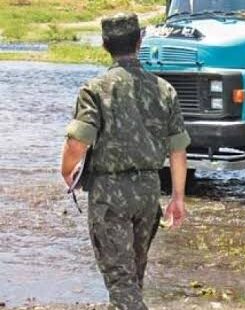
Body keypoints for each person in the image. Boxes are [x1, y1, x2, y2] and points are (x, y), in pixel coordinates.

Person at [60, 12, 191, 310]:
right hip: (148, 193)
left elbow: (76, 142)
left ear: (105, 45)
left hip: (110, 195)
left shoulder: (95, 89)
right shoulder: (164, 89)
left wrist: (67, 171)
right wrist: (178, 198)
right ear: (140, 41)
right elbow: (178, 150)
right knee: (131, 280)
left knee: (122, 284)